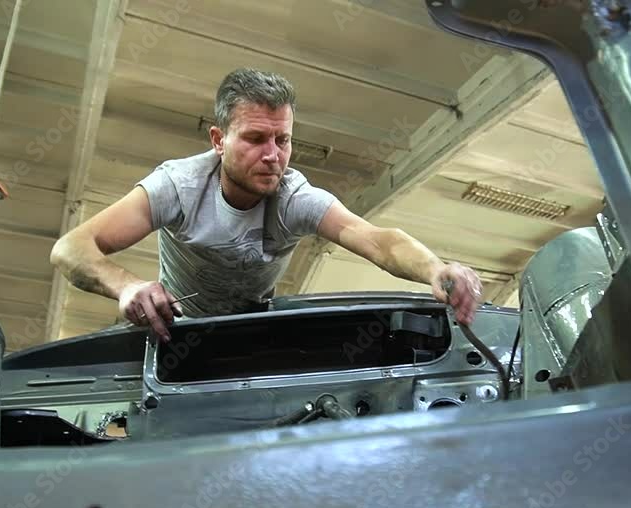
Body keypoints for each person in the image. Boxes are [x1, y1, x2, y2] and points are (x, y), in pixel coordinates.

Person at [50, 68, 483, 342]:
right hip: (176, 332)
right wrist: (126, 286)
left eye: (283, 139)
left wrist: (436, 269)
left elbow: (377, 240)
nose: (273, 155)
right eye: (256, 139)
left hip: (253, 333)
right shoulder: (177, 187)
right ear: (219, 140)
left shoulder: (294, 198)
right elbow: (70, 248)